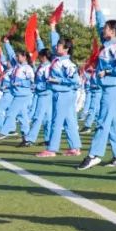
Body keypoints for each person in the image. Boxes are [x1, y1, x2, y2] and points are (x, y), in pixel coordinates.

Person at [77, 0, 116, 170]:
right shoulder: (107, 44)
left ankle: (95, 154)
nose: (103, 29)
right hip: (107, 87)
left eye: (107, 28)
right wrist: (97, 7)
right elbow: (101, 24)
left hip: (113, 88)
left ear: (113, 32)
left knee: (103, 121)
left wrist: (107, 71)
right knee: (113, 122)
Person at [35, 27, 82, 158]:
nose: (56, 47)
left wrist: (58, 80)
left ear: (66, 49)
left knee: (56, 120)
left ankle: (52, 149)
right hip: (62, 93)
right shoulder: (57, 59)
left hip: (63, 94)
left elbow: (75, 80)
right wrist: (51, 29)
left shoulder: (67, 63)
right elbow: (49, 44)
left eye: (60, 45)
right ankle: (75, 147)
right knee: (69, 121)